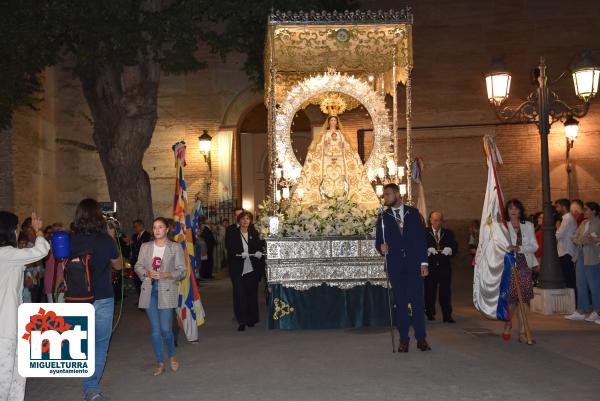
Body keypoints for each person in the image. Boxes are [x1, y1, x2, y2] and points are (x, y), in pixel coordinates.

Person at [70, 199, 122, 401]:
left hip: (76, 299)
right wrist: (111, 239)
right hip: (102, 297)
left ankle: (88, 385)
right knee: (100, 345)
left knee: (82, 344)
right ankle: (91, 388)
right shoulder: (105, 240)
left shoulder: (70, 239)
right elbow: (117, 266)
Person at [0, 211, 49, 401]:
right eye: (17, 225)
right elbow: (41, 251)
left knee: (17, 372)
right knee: (5, 377)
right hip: (5, 325)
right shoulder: (6, 253)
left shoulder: (8, 254)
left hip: (12, 321)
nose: (19, 229)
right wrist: (38, 231)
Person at [376, 183, 431, 352]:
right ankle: (404, 339)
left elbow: (421, 239)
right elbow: (379, 240)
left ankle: (421, 338)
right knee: (400, 303)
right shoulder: (383, 217)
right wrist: (381, 247)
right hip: (395, 265)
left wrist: (424, 263)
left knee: (417, 302)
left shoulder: (413, 213)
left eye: (388, 194)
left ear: (398, 194)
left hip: (414, 264)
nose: (385, 197)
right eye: (384, 195)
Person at [134, 217, 186, 376]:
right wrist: (146, 273)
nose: (157, 230)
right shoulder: (145, 246)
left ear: (167, 229)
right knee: (155, 330)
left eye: (160, 227)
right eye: (155, 227)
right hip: (149, 290)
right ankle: (160, 362)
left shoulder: (175, 248)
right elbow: (138, 266)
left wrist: (166, 274)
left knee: (165, 329)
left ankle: (172, 356)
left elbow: (182, 271)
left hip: (167, 290)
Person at [293, 115, 379, 208]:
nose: (333, 122)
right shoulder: (324, 134)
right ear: (329, 122)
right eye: (332, 120)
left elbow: (347, 148)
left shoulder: (341, 134)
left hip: (340, 163)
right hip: (327, 162)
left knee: (342, 179)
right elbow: (319, 147)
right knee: (326, 179)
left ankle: (343, 198)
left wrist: (343, 147)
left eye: (335, 120)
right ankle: (323, 198)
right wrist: (325, 146)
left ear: (337, 122)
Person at [502, 199, 538, 345]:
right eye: (510, 208)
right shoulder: (503, 226)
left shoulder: (528, 225)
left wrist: (519, 248)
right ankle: (508, 323)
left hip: (524, 265)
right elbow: (499, 246)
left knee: (523, 300)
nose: (513, 210)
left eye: (516, 208)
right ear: (507, 210)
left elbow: (534, 246)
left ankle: (523, 333)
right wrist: (508, 248)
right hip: (510, 266)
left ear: (520, 210)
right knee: (512, 300)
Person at [226, 211, 265, 331]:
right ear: (239, 220)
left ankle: (251, 319)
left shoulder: (254, 232)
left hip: (252, 267)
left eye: (248, 219)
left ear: (250, 221)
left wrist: (260, 252)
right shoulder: (233, 232)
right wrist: (238, 253)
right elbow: (229, 247)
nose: (245, 221)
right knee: (239, 295)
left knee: (251, 294)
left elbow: (260, 246)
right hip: (238, 268)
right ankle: (241, 321)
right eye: (243, 218)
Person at [567, 202, 600, 322]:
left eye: (586, 209)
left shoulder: (598, 222)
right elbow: (575, 237)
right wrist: (586, 239)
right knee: (580, 284)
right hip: (580, 255)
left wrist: (586, 239)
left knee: (594, 285)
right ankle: (582, 309)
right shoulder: (584, 222)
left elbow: (589, 239)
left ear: (594, 211)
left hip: (593, 257)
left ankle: (597, 310)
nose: (584, 212)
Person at [425, 211, 458, 323]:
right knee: (430, 290)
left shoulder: (448, 233)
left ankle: (447, 315)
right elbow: (419, 246)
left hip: (444, 266)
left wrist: (451, 249)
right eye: (435, 220)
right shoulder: (424, 232)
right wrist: (427, 250)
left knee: (446, 292)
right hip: (431, 266)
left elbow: (454, 246)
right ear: (430, 220)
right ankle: (430, 312)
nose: (438, 223)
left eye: (440, 220)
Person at [555, 199, 578, 296]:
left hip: (566, 252)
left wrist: (557, 227)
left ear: (563, 207)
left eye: (558, 207)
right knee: (568, 278)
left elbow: (558, 235)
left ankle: (574, 302)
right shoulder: (567, 218)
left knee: (569, 278)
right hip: (564, 251)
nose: (556, 209)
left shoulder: (567, 218)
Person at [129, 219, 152, 301]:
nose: (135, 228)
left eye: (137, 226)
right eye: (134, 227)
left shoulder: (147, 235)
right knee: (137, 282)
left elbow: (145, 247)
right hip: (135, 262)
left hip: (144, 263)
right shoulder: (134, 236)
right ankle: (140, 300)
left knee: (144, 282)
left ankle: (146, 300)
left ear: (142, 226)